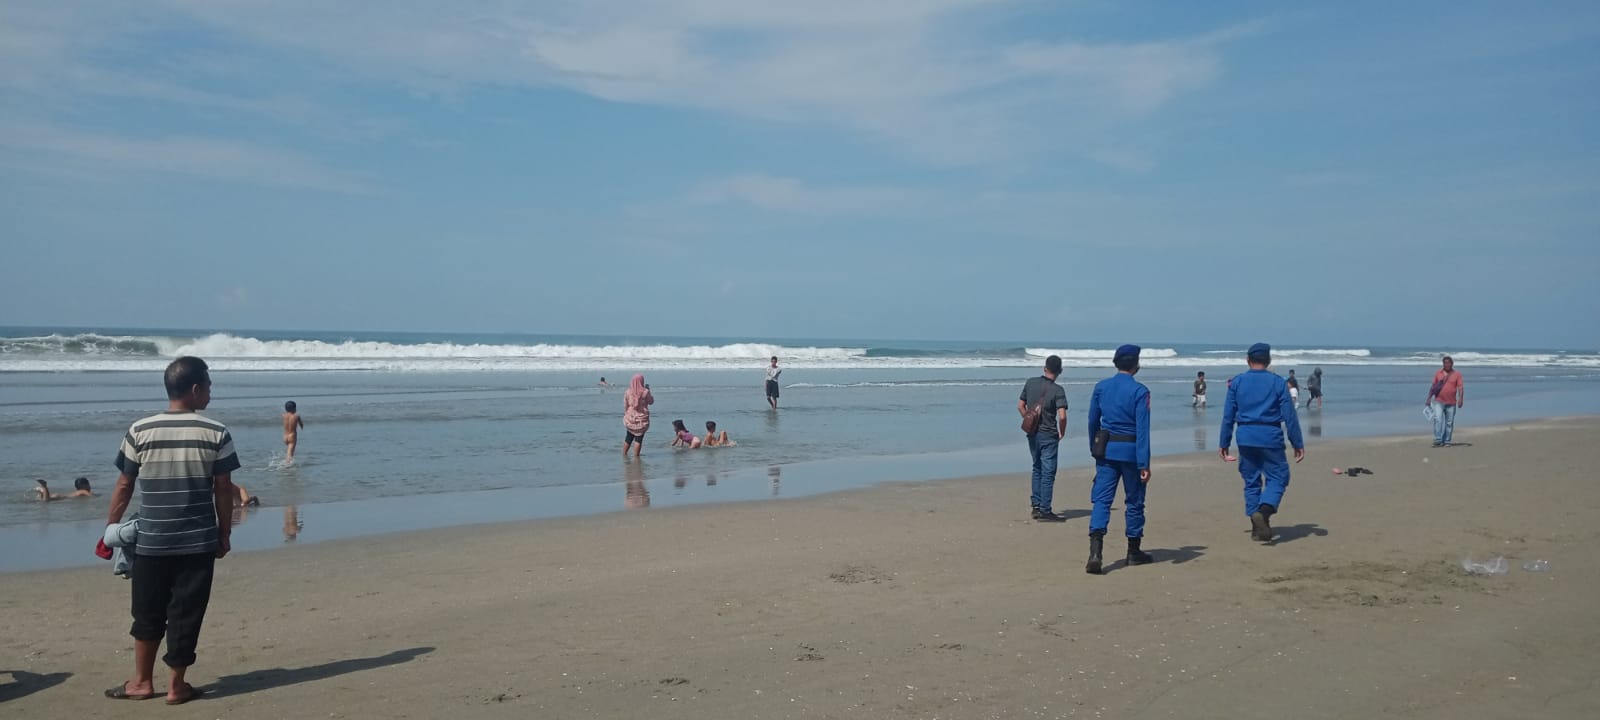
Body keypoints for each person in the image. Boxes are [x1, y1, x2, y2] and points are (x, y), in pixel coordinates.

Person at [104, 356, 239, 704]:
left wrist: (111, 527)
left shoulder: (139, 430)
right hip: (197, 541)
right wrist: (225, 532)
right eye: (208, 387)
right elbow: (223, 488)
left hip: (152, 540)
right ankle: (177, 685)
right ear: (195, 390)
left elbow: (124, 484)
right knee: (186, 613)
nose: (210, 393)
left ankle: (142, 682)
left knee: (147, 611)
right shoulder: (216, 432)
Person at [1219, 344, 1305, 543]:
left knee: (1251, 480)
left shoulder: (1238, 382)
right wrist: (1297, 442)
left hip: (1245, 435)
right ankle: (1264, 513)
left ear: (1248, 360)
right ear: (1268, 361)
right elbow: (1289, 416)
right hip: (1269, 434)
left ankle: (1256, 528)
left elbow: (1228, 416)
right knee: (1278, 477)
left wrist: (1224, 441)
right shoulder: (1277, 382)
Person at [1085, 344, 1154, 573]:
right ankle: (1133, 551)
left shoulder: (1101, 387)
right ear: (1136, 365)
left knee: (1102, 501)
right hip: (1132, 452)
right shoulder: (1140, 391)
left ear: (1116, 363)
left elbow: (1092, 421)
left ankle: (1095, 552)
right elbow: (1143, 429)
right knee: (1134, 501)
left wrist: (1094, 447)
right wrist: (1144, 463)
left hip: (1106, 451)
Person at [1018, 354, 1069, 521]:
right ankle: (1045, 509)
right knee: (1048, 472)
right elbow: (1062, 416)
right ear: (1060, 371)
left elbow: (1020, 406)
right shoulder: (1058, 390)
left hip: (1032, 433)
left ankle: (1036, 505)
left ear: (1045, 368)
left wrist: (1029, 419)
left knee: (1037, 467)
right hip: (1049, 434)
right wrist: (1062, 432)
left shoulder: (1030, 382)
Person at [1426, 356, 1465, 447]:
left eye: (1448, 363)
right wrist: (1428, 398)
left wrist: (1461, 399)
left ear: (1452, 364)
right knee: (1438, 419)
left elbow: (1460, 388)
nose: (1446, 364)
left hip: (1451, 403)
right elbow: (1433, 387)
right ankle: (1438, 439)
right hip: (1439, 401)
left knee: (1449, 423)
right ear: (1443, 364)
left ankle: (1446, 440)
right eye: (1445, 363)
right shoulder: (1438, 373)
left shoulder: (1457, 374)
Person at [622, 374, 654, 457]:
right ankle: (636, 457)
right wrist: (648, 390)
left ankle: (624, 454)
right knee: (638, 439)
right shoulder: (645, 392)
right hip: (641, 419)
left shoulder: (628, 392)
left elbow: (625, 405)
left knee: (628, 437)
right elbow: (651, 402)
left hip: (630, 418)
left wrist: (626, 415)